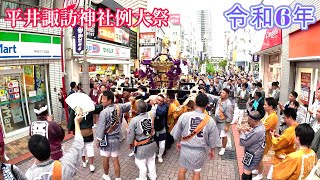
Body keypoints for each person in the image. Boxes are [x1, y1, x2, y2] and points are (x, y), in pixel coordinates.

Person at [171, 93, 221, 180]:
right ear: (206, 105)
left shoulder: (184, 116)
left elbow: (177, 133)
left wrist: (179, 142)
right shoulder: (210, 120)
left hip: (185, 149)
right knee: (196, 172)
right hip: (199, 151)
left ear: (195, 103)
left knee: (182, 170)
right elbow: (213, 139)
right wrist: (212, 150)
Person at [26, 112, 84, 179]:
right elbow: (78, 144)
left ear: (32, 153)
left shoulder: (29, 175)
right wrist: (76, 123)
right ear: (50, 147)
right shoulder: (65, 165)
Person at [96, 91, 133, 180]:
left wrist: (98, 140)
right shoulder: (118, 107)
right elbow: (129, 105)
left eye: (104, 99)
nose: (102, 101)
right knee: (115, 160)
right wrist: (132, 99)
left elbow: (100, 128)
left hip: (106, 139)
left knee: (105, 159)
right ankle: (118, 178)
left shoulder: (104, 112)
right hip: (116, 138)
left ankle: (106, 175)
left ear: (109, 101)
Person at [264, 108, 299, 180]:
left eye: (285, 118)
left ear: (290, 118)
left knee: (273, 177)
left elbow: (277, 144)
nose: (284, 120)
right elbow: (288, 140)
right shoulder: (298, 127)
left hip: (281, 159)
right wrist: (280, 137)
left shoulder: (289, 131)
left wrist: (273, 136)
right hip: (290, 155)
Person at [127, 100, 158, 180]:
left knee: (140, 162)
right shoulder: (151, 114)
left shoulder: (134, 120)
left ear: (137, 109)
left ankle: (143, 178)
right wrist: (153, 103)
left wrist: (130, 143)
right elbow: (154, 109)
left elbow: (130, 134)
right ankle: (153, 176)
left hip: (141, 145)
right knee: (151, 161)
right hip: (151, 142)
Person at [252, 97, 277, 179]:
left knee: (259, 157)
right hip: (262, 138)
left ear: (270, 106)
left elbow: (263, 127)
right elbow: (261, 122)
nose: (263, 106)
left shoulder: (273, 117)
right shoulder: (268, 114)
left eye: (265, 105)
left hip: (266, 140)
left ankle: (260, 174)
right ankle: (257, 169)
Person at [205, 88, 234, 156]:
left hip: (223, 122)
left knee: (224, 135)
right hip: (217, 120)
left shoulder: (229, 104)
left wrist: (227, 126)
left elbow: (230, 116)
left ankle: (223, 148)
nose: (221, 94)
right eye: (221, 92)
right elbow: (213, 97)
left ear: (227, 95)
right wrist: (206, 94)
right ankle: (217, 144)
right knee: (216, 133)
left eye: (223, 93)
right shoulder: (219, 99)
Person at [238, 111, 266, 180]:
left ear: (253, 120)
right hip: (253, 153)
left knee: (245, 175)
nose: (248, 123)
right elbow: (252, 137)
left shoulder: (258, 131)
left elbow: (245, 142)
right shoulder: (260, 126)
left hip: (252, 155)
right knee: (248, 172)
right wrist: (247, 131)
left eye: (249, 120)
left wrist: (241, 132)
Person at [153, 94, 169, 163]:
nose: (159, 102)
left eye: (161, 101)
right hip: (153, 128)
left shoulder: (165, 106)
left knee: (162, 144)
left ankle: (160, 155)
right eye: (158, 100)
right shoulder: (151, 104)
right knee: (156, 143)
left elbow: (161, 112)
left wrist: (156, 105)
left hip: (161, 127)